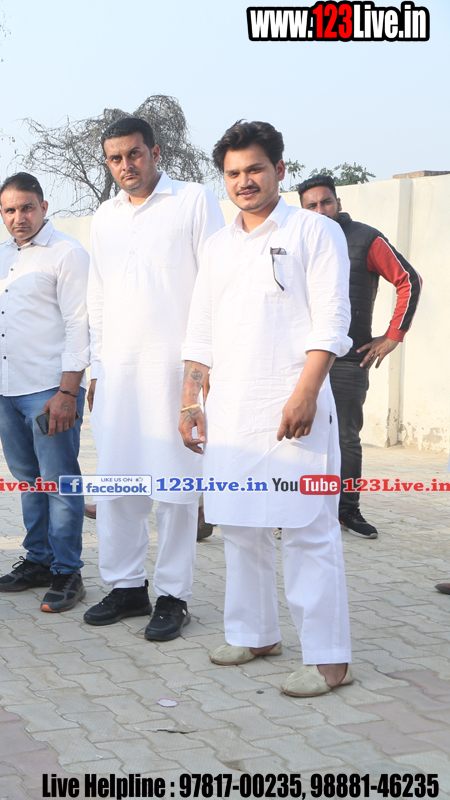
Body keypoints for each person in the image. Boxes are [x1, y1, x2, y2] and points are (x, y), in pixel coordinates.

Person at [180, 120, 353, 697]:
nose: (244, 181)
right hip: (232, 410)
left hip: (293, 405)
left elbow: (331, 320)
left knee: (307, 528)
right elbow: (200, 331)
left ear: (279, 168)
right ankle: (254, 635)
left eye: (254, 169)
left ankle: (329, 659)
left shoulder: (314, 231)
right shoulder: (217, 245)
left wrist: (306, 392)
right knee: (239, 524)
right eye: (233, 173)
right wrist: (190, 401)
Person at [83, 118, 224, 641]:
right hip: (118, 375)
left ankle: (172, 596)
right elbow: (98, 296)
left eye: (134, 154)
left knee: (176, 490)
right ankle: (126, 587)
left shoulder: (193, 200)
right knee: (118, 485)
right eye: (115, 158)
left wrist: (203, 372)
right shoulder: (105, 216)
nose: (126, 165)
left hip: (175, 373)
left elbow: (214, 286)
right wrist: (97, 368)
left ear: (156, 152)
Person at [296, 174, 422, 540]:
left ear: (338, 202)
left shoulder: (366, 238)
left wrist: (393, 336)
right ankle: (296, 510)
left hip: (348, 360)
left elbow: (409, 280)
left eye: (326, 202)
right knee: (298, 434)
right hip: (300, 359)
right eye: (311, 205)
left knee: (346, 439)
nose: (320, 210)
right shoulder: (294, 239)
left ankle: (347, 510)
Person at [0, 173, 90, 613]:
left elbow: (79, 324)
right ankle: (39, 560)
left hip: (50, 391)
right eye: (10, 210)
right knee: (29, 481)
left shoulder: (67, 253)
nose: (19, 217)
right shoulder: (4, 253)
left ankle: (68, 572)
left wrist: (68, 391)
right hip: (9, 389)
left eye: (27, 207)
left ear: (44, 207)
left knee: (60, 482)